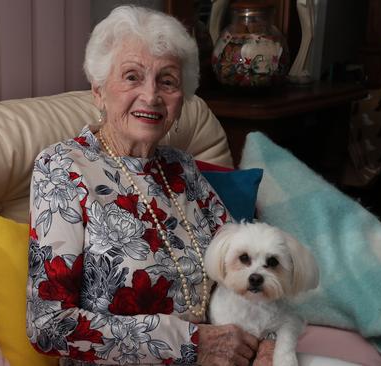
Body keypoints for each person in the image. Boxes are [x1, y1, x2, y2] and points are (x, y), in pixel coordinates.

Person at [26, 5, 274, 366]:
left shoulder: (182, 168)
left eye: (167, 80)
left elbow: (244, 271)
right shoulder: (63, 168)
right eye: (132, 77)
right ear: (98, 91)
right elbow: (47, 325)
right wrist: (191, 344)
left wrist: (268, 342)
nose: (152, 95)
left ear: (181, 99)